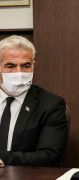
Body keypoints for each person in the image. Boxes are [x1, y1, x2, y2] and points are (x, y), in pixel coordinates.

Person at [0, 35, 68, 167]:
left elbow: (50, 155)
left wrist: (3, 159)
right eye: (10, 66)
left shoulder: (51, 104)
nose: (19, 73)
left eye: (26, 66)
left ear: (33, 66)